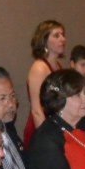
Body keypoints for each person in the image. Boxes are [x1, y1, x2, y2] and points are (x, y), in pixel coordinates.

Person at [24, 19, 67, 148]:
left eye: (63, 35)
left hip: (55, 125)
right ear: (44, 40)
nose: (62, 39)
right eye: (56, 35)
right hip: (41, 127)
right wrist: (47, 139)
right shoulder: (39, 68)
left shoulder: (58, 66)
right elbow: (37, 110)